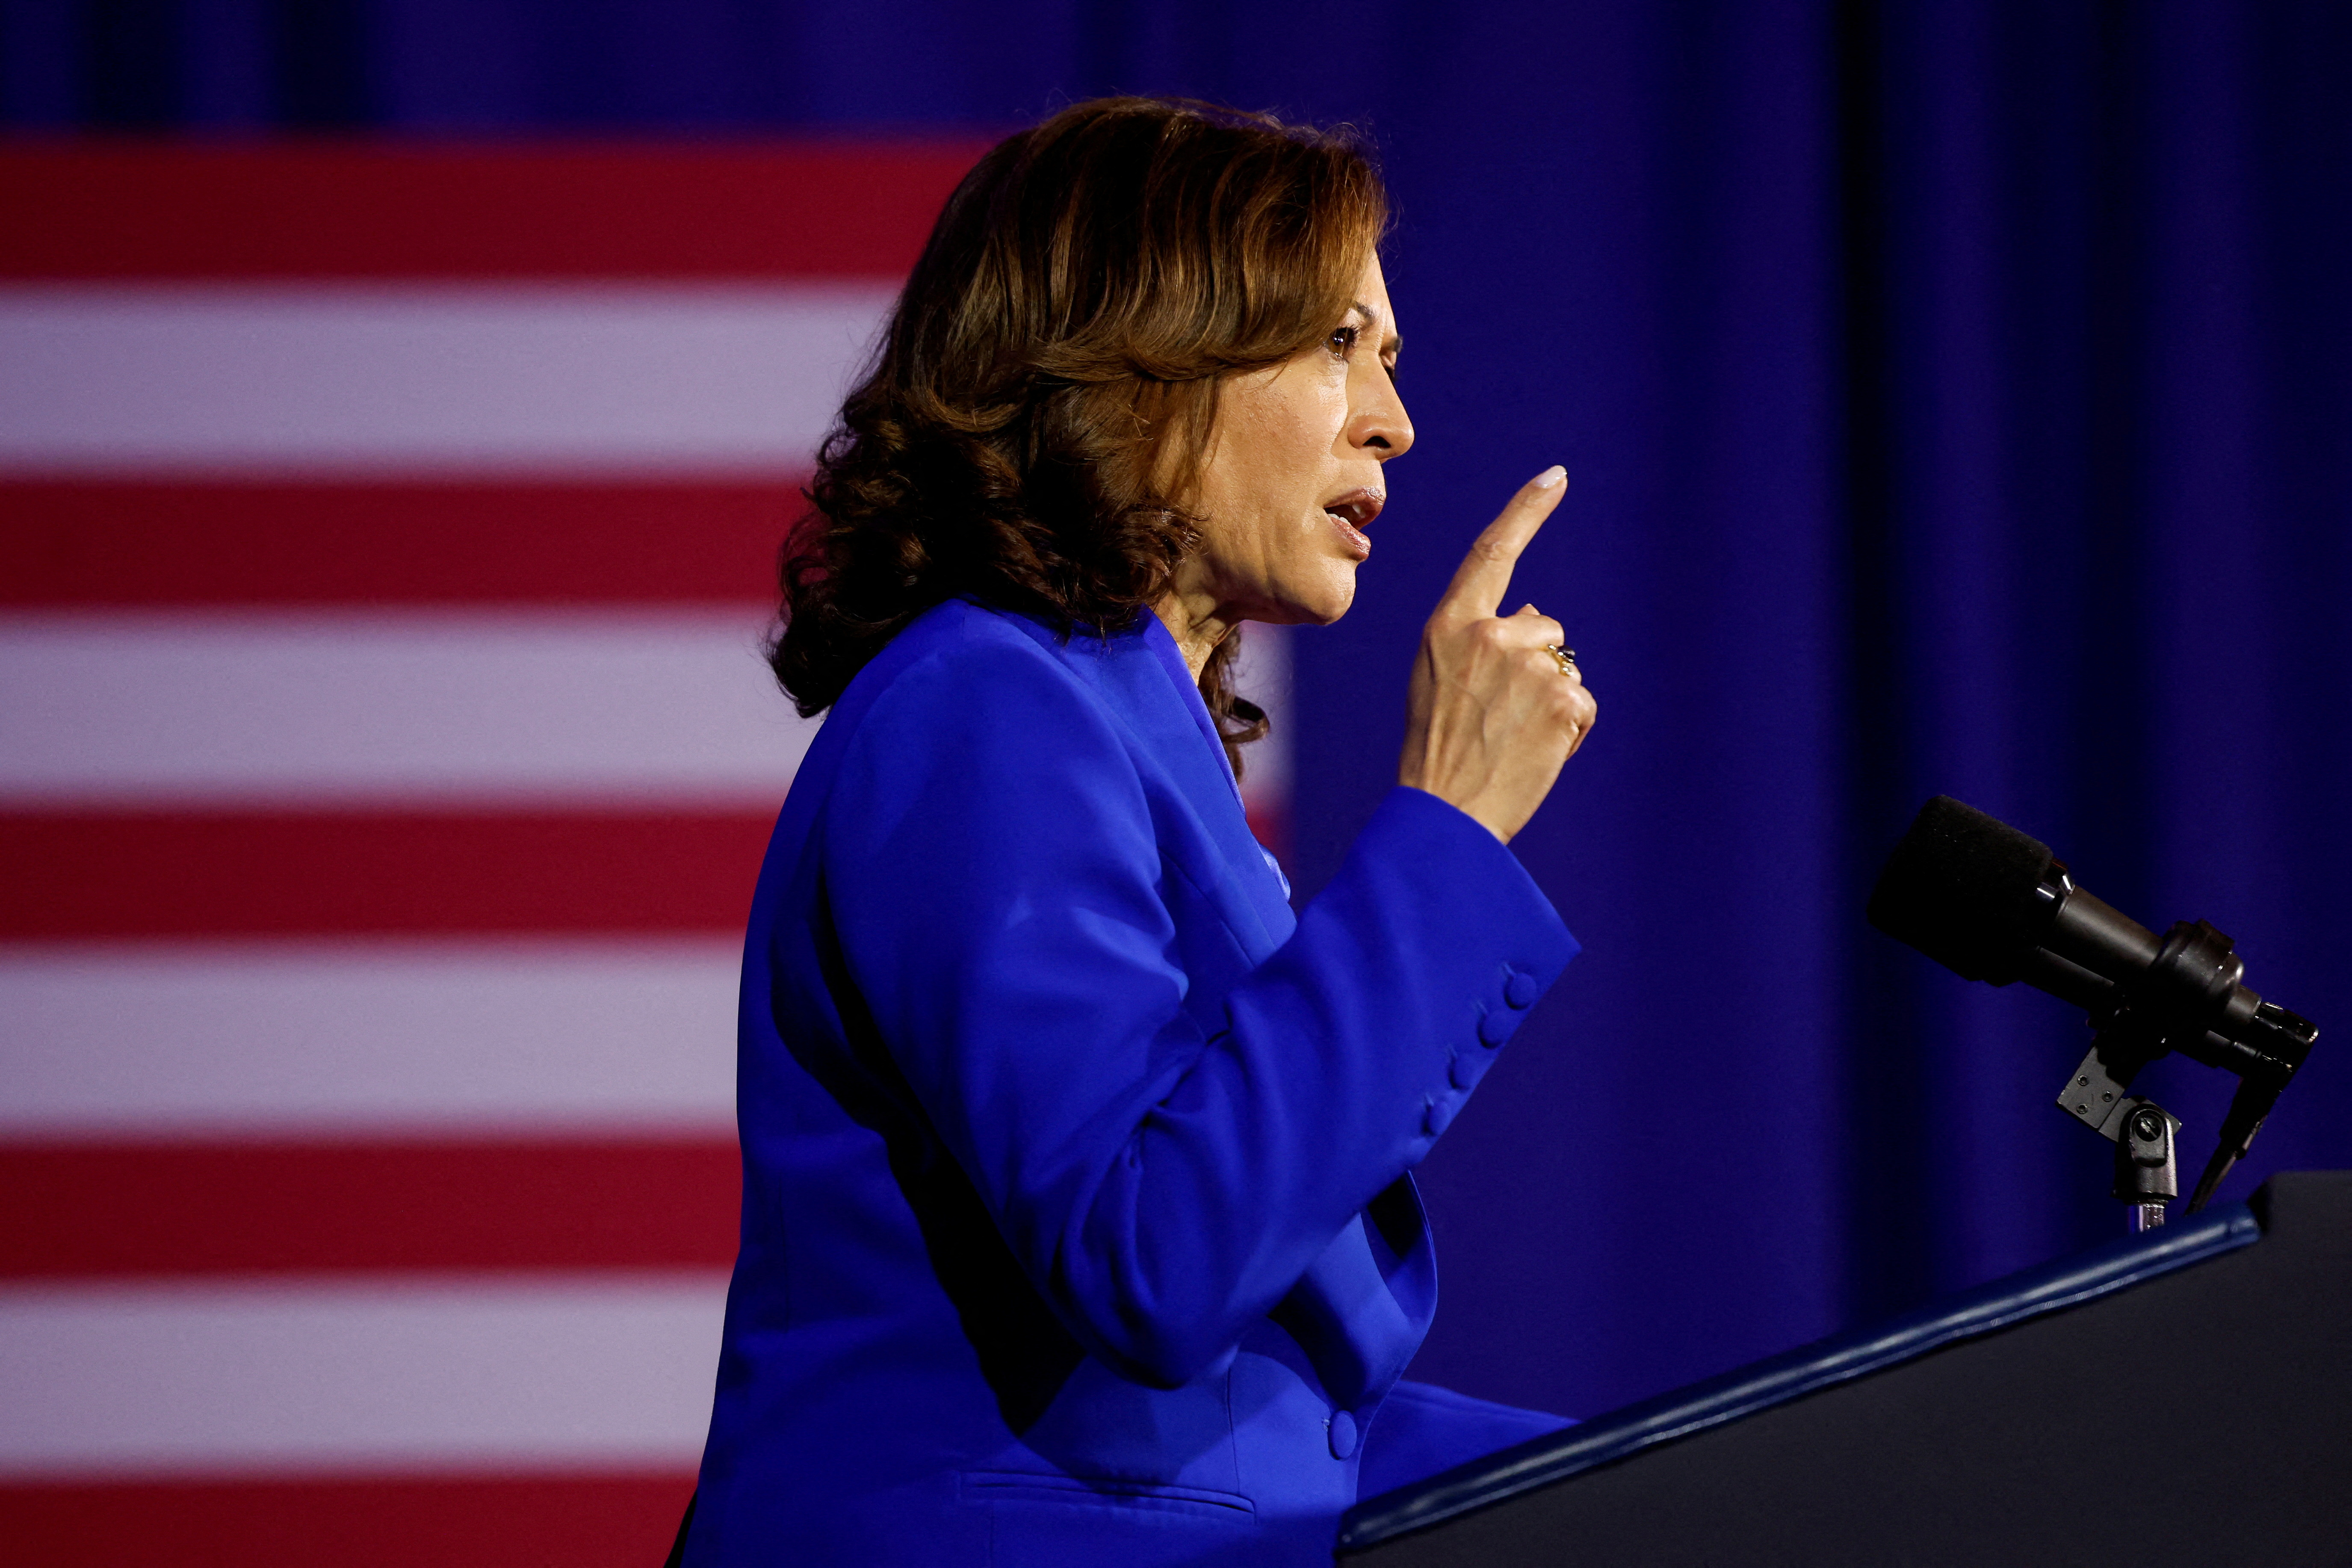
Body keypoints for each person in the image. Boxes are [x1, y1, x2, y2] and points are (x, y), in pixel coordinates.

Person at [675, 96, 1598, 1567]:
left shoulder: (1113, 730)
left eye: (1389, 357)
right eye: (1335, 342)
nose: (1393, 419)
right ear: (1148, 359)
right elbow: (1155, 1254)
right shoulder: (984, 701)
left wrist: (1716, 1478)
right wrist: (1444, 827)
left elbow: (1277, 1417)